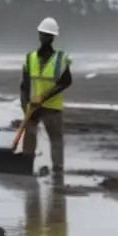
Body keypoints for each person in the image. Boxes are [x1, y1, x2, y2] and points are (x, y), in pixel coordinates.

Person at [20, 17, 72, 179]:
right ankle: (26, 168)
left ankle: (57, 171)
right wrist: (26, 108)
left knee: (56, 140)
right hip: (34, 107)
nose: (44, 37)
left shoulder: (61, 58)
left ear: (52, 37)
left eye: (46, 34)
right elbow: (25, 85)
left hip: (52, 107)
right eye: (43, 34)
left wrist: (42, 98)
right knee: (30, 138)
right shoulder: (30, 58)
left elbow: (66, 81)